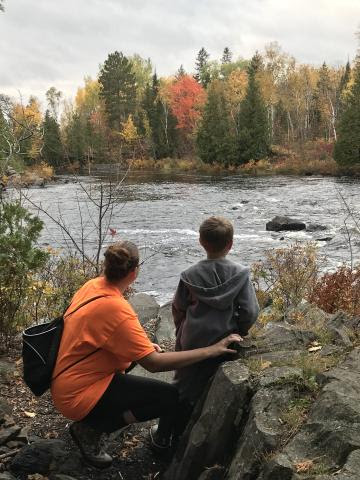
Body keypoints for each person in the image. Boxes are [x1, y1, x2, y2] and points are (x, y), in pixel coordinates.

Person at [51, 240, 241, 469]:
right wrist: (212, 350)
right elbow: (154, 364)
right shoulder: (117, 309)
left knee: (144, 370)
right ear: (134, 271)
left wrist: (143, 345)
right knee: (169, 397)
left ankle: (102, 418)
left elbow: (98, 333)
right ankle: (92, 428)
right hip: (78, 394)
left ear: (106, 267)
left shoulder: (92, 286)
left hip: (65, 379)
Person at [150, 216, 259, 451]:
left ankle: (163, 436)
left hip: (192, 338)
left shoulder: (189, 275)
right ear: (230, 243)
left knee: (181, 384)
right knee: (208, 382)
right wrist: (240, 330)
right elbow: (250, 311)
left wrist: (181, 328)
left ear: (201, 242)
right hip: (224, 338)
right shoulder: (240, 274)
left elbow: (178, 307)